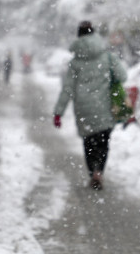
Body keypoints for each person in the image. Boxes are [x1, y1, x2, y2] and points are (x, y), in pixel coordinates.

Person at [52, 21, 127, 190]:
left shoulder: (75, 62)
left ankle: (92, 170)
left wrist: (58, 113)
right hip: (104, 105)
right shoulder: (107, 56)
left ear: (79, 37)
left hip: (84, 108)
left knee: (89, 142)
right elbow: (123, 76)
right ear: (94, 34)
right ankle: (99, 172)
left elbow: (67, 89)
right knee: (103, 141)